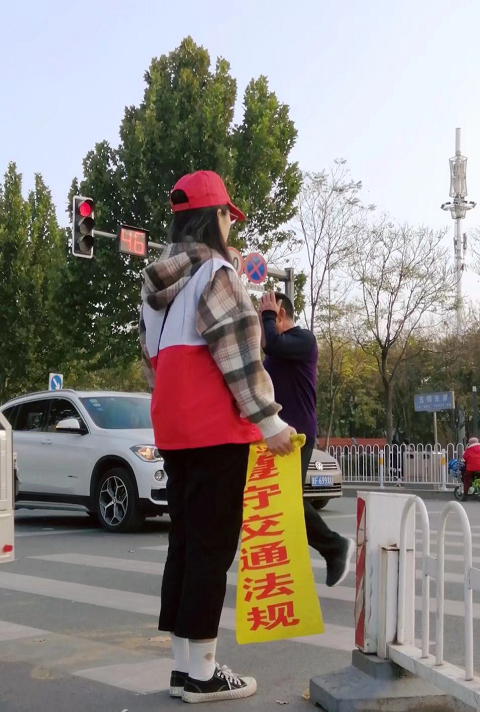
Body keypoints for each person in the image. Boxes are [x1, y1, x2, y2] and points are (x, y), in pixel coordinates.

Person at [139, 170, 295, 704]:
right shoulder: (218, 274)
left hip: (174, 428)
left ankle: (183, 668)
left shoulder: (155, 288)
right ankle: (204, 674)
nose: (232, 225)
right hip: (216, 430)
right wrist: (269, 421)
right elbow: (239, 355)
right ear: (217, 217)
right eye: (229, 215)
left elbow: (151, 362)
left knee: (185, 545)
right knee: (212, 547)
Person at [259, 291, 355, 587]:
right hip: (276, 436)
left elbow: (272, 342)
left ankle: (335, 547)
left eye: (268, 318)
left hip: (298, 435)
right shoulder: (274, 353)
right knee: (277, 504)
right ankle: (291, 566)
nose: (263, 325)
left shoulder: (303, 340)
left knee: (288, 501)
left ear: (281, 315)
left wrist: (267, 315)